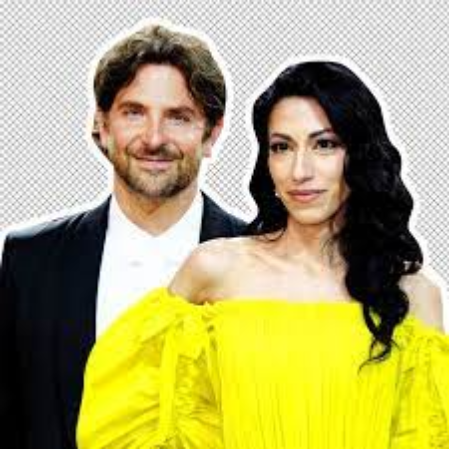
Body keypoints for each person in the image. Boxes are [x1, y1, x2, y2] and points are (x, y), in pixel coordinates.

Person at [77, 61, 448, 448]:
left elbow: (426, 435)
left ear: (361, 155)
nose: (299, 171)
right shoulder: (214, 270)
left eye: (324, 144)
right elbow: (137, 424)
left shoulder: (412, 292)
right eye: (281, 147)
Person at [0, 23, 246, 449]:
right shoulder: (29, 260)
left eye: (179, 117)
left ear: (212, 134)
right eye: (134, 112)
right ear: (101, 125)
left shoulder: (266, 256)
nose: (154, 138)